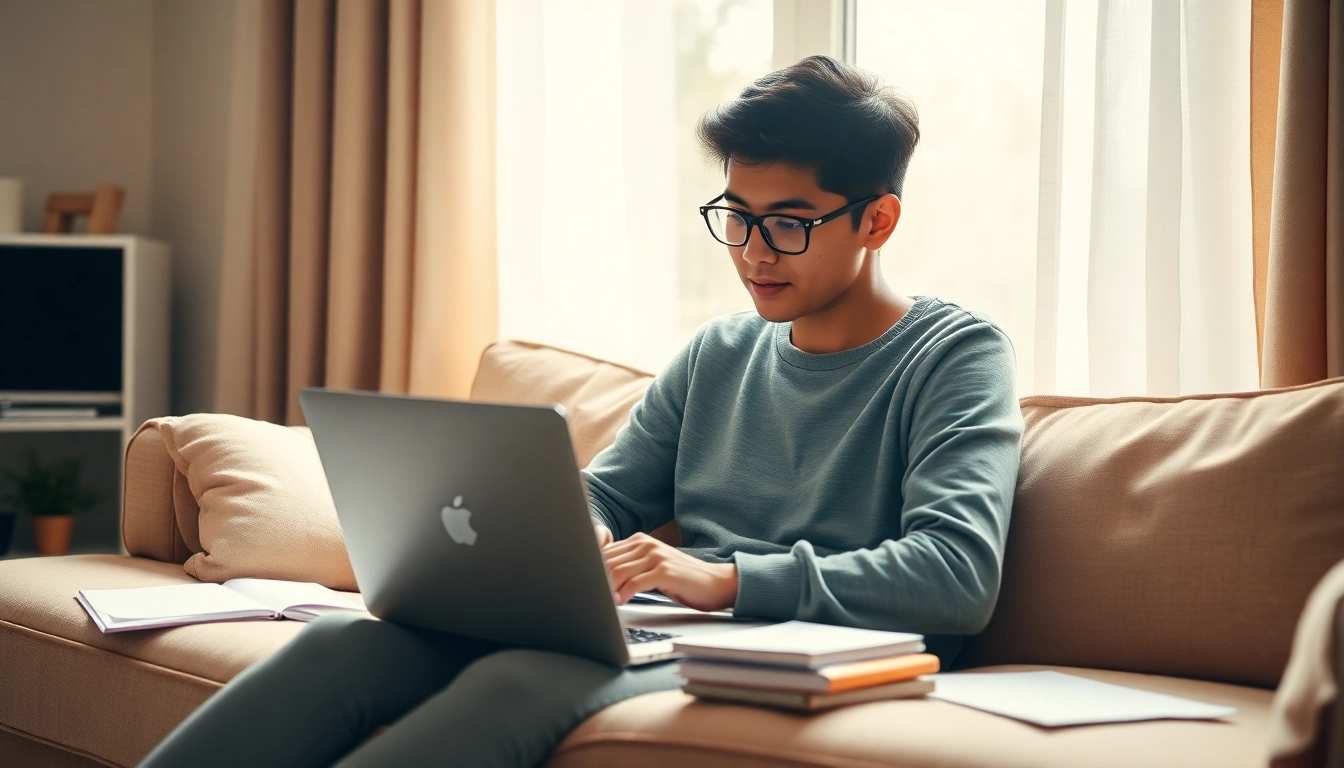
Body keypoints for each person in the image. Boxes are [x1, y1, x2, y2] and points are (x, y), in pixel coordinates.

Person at [138, 54, 1023, 768]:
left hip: (820, 649)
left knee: (517, 685)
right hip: (674, 631)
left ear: (878, 221)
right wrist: (578, 537)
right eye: (736, 217)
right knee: (336, 652)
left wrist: (727, 579)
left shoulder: (953, 355)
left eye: (787, 224)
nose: (753, 253)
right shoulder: (721, 353)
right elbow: (607, 492)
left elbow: (955, 576)